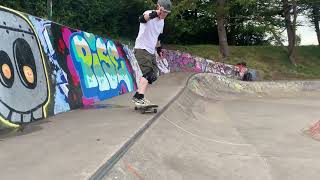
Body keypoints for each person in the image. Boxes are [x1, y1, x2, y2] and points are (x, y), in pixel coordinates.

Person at [132, 0, 172, 106]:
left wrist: (159, 50)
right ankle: (139, 97)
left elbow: (158, 37)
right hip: (141, 48)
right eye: (164, 12)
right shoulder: (149, 14)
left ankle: (138, 95)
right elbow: (141, 19)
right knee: (148, 74)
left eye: (167, 13)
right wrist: (156, 13)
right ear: (159, 7)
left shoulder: (162, 22)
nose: (165, 15)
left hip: (151, 51)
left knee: (153, 75)